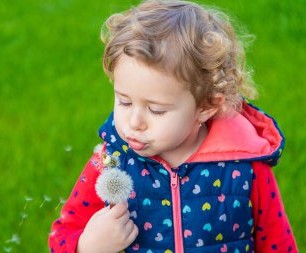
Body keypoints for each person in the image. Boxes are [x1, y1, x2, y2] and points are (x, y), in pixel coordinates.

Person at [48, 0, 298, 252]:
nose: (134, 122)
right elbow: (61, 235)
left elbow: (279, 243)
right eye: (124, 101)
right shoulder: (110, 162)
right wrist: (87, 246)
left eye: (156, 109)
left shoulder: (245, 167)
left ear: (206, 106)